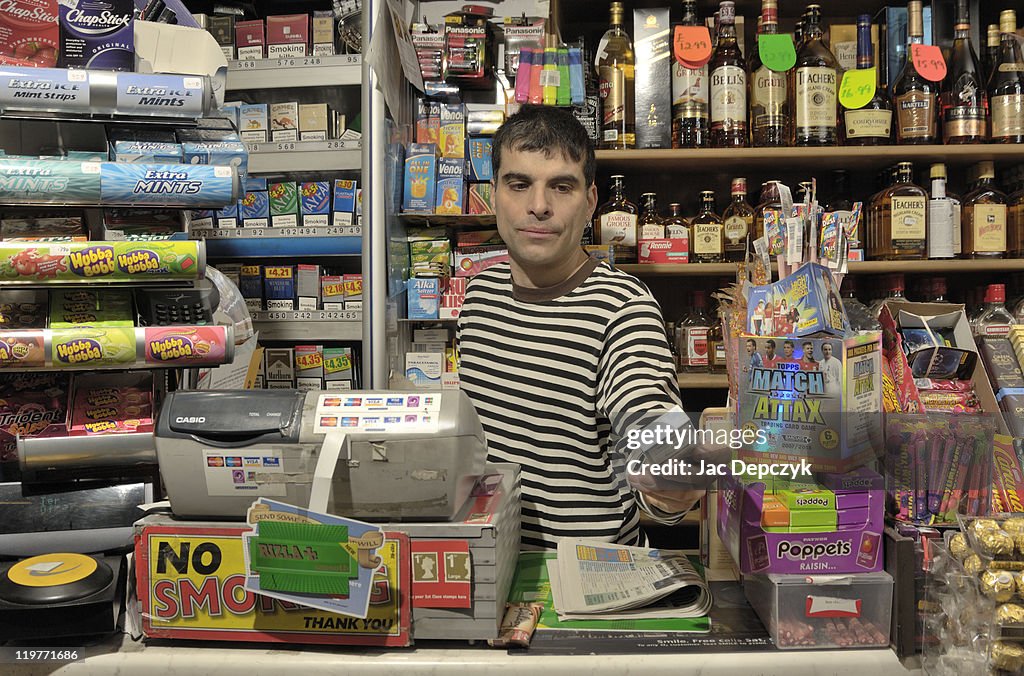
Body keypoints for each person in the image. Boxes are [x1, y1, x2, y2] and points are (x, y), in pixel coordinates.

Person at [457, 105, 721, 550]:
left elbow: (647, 415)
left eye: (561, 186)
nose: (538, 206)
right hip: (491, 563)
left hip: (587, 582)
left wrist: (671, 476)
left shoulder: (623, 307)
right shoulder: (478, 296)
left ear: (591, 202)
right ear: (493, 193)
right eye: (519, 184)